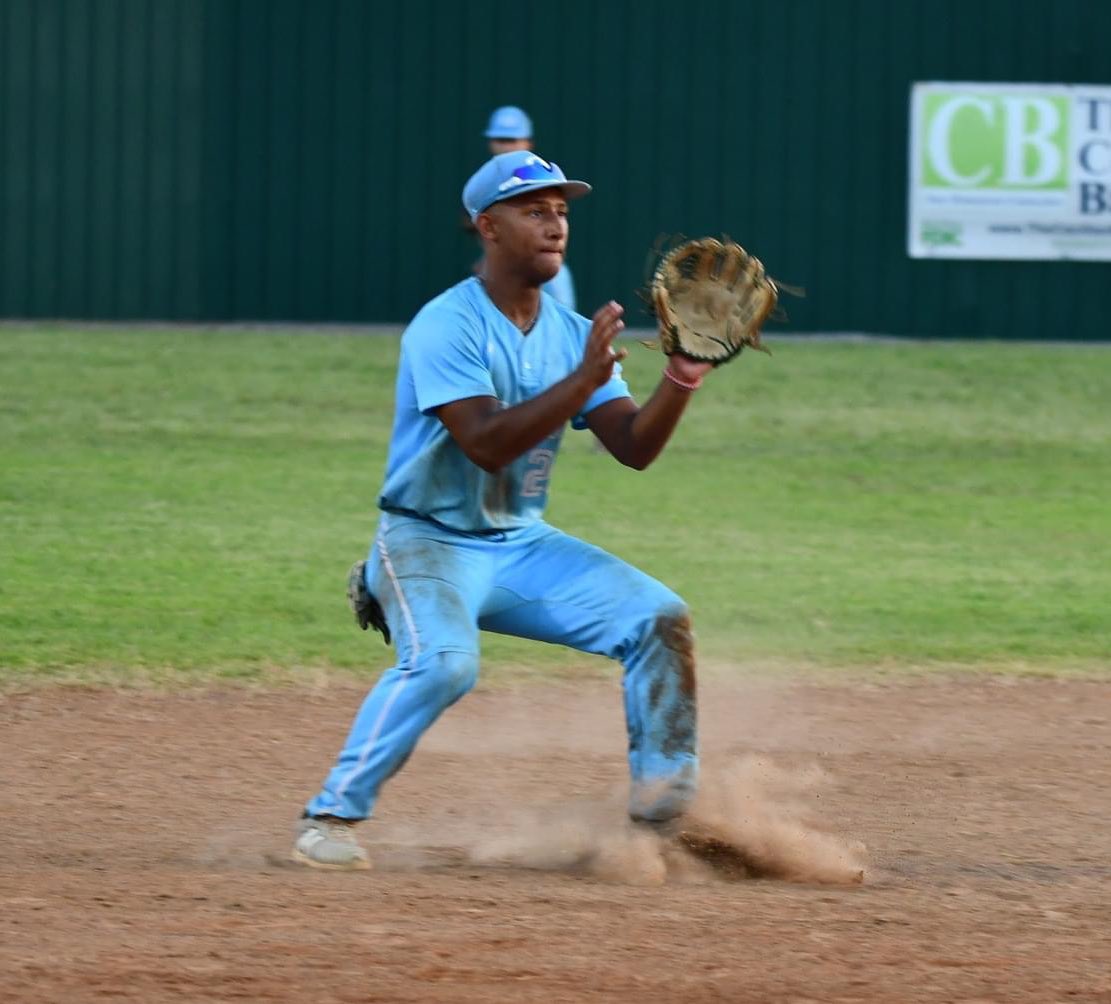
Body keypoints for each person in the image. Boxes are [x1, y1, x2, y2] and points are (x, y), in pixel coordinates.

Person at [293, 150, 724, 871]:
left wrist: (679, 381)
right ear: (487, 227)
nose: (555, 224)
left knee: (658, 616)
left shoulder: (567, 332)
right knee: (445, 665)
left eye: (560, 211)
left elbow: (631, 447)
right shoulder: (445, 325)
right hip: (425, 539)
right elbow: (486, 443)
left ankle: (663, 816)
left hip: (519, 545)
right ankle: (328, 819)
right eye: (534, 210)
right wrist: (584, 377)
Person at [480, 105, 576, 310]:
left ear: (527, 142)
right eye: (500, 140)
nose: (506, 147)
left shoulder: (539, 177)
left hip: (543, 263)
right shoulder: (487, 183)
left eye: (512, 140)